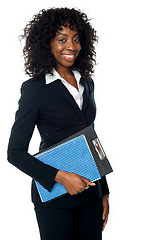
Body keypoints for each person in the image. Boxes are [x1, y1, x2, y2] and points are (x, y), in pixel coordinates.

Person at [7, 7, 110, 240]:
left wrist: (104, 191)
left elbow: (90, 138)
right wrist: (62, 178)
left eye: (76, 39)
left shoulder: (86, 83)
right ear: (48, 43)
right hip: (55, 198)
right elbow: (14, 153)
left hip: (91, 193)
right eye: (62, 39)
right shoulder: (35, 90)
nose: (70, 46)